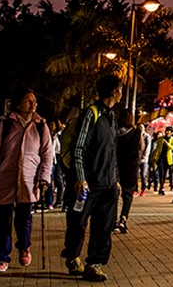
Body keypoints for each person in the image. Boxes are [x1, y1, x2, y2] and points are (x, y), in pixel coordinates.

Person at [0, 89, 53, 272]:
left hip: (29, 180)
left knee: (24, 218)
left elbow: (47, 154)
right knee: (2, 219)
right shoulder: (5, 125)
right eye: (28, 100)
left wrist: (44, 178)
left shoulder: (41, 126)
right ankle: (2, 256)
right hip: (4, 178)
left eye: (34, 101)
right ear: (18, 103)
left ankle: (24, 246)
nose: (33, 104)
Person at [61, 73, 123, 283]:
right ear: (113, 91)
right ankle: (72, 257)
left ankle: (94, 264)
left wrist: (115, 179)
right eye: (120, 89)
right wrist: (81, 178)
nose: (121, 93)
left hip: (108, 184)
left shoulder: (112, 117)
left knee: (104, 227)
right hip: (88, 183)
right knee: (78, 222)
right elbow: (79, 148)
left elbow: (112, 151)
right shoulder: (91, 113)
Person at [115, 111, 141, 235]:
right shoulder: (136, 133)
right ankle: (123, 218)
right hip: (131, 167)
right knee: (128, 195)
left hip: (116, 166)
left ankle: (113, 220)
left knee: (114, 194)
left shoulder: (115, 132)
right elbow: (139, 150)